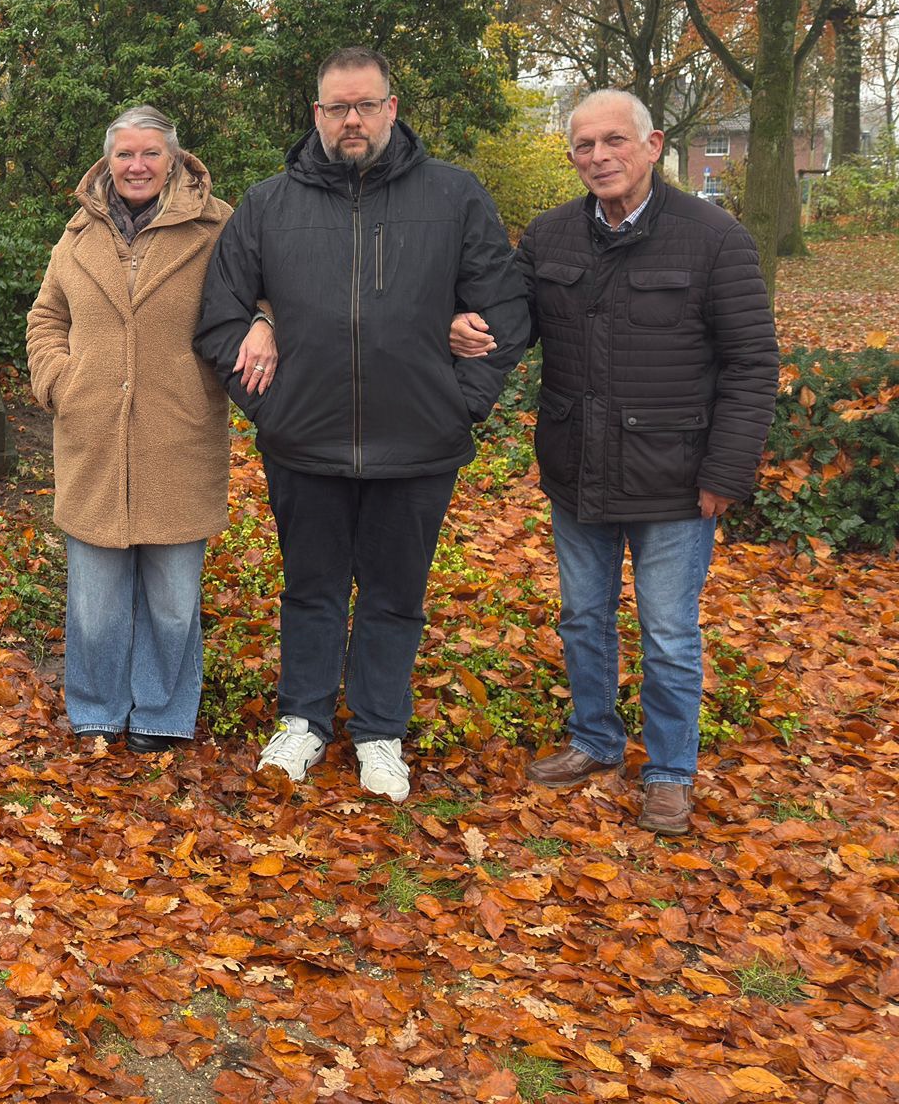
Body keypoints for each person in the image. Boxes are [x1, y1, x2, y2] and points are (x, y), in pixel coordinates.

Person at [195, 47, 529, 802]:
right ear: (316, 114)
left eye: (366, 105)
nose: (352, 120)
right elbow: (218, 317)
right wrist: (268, 389)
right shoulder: (269, 205)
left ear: (391, 108)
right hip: (303, 442)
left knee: (393, 594)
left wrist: (460, 400)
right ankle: (303, 720)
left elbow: (505, 312)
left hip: (418, 444)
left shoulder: (453, 197)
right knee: (310, 590)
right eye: (337, 107)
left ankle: (379, 731)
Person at [450, 90, 778, 835]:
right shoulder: (551, 235)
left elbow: (753, 364)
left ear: (652, 145)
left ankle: (669, 772)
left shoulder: (714, 238)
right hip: (578, 469)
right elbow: (512, 321)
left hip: (675, 479)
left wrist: (726, 473)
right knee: (583, 619)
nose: (598, 157)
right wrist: (464, 327)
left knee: (668, 635)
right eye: (583, 146)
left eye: (614, 141)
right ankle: (595, 740)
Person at [27, 106, 241, 751]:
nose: (137, 165)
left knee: (173, 600)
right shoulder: (78, 233)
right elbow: (46, 316)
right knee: (95, 600)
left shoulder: (218, 227)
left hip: (180, 434)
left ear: (173, 160)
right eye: (125, 154)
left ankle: (162, 712)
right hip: (91, 434)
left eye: (150, 153)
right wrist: (59, 380)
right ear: (109, 160)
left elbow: (256, 306)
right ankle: (96, 705)